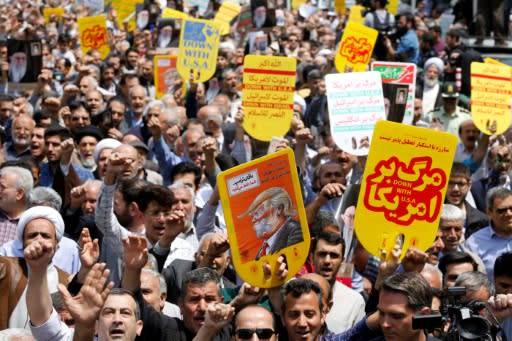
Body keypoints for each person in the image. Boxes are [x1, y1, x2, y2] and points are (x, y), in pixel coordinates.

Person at [311, 231, 365, 333]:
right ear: (312, 258)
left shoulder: (355, 302)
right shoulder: (292, 290)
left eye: (334, 255)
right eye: (322, 254)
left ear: (342, 261)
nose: (327, 261)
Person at [238, 187, 304, 259]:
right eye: (253, 215)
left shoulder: (294, 231)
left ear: (279, 209)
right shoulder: (265, 247)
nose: (253, 220)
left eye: (258, 213)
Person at [466, 187, 512, 279]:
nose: (509, 213)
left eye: (511, 208)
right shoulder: (474, 243)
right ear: (489, 212)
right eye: (501, 210)